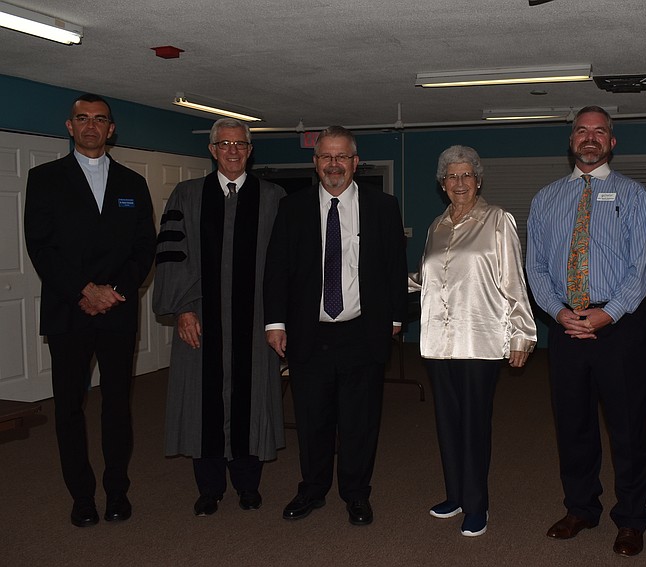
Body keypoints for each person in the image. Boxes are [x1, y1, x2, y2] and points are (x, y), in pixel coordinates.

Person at [526, 106, 646, 557]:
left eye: (599, 131)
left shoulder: (634, 195)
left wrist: (611, 313)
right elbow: (537, 268)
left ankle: (631, 519)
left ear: (611, 141)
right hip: (565, 326)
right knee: (573, 425)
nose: (590, 138)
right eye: (582, 131)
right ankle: (581, 508)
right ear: (571, 141)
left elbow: (645, 265)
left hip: (619, 326)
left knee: (628, 427)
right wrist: (557, 312)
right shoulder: (545, 199)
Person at [23, 93, 156, 527]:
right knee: (69, 408)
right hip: (68, 308)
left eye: (100, 119)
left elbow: (143, 247)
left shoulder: (132, 184)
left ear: (111, 129)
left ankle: (117, 490)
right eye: (82, 118)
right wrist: (84, 289)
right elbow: (40, 246)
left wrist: (114, 290)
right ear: (69, 126)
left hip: (117, 310)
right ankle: (82, 496)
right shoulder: (44, 178)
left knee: (117, 406)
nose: (91, 126)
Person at [264, 125, 407, 526]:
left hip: (362, 332)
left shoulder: (382, 206)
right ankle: (312, 489)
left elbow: (395, 266)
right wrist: (275, 323)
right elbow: (276, 270)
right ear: (315, 163)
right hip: (309, 334)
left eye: (341, 157)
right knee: (312, 419)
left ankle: (356, 494)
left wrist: (395, 319)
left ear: (355, 163)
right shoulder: (292, 208)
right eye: (326, 157)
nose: (333, 165)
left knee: (360, 421)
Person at [153, 118, 286, 516]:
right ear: (212, 150)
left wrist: (279, 319)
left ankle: (248, 485)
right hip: (201, 319)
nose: (233, 151)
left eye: (240, 145)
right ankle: (209, 488)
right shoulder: (187, 195)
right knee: (201, 401)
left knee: (254, 398)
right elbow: (172, 258)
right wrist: (183, 308)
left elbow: (285, 265)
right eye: (224, 144)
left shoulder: (274, 196)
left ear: (250, 151)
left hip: (256, 320)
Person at [409, 145, 536, 537]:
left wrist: (522, 333)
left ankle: (478, 505)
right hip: (437, 340)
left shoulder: (498, 221)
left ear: (478, 181)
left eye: (467, 176)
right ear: (442, 183)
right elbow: (424, 279)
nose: (459, 182)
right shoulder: (436, 225)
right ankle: (456, 495)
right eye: (452, 176)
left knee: (474, 424)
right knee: (447, 422)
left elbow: (514, 279)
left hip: (479, 339)